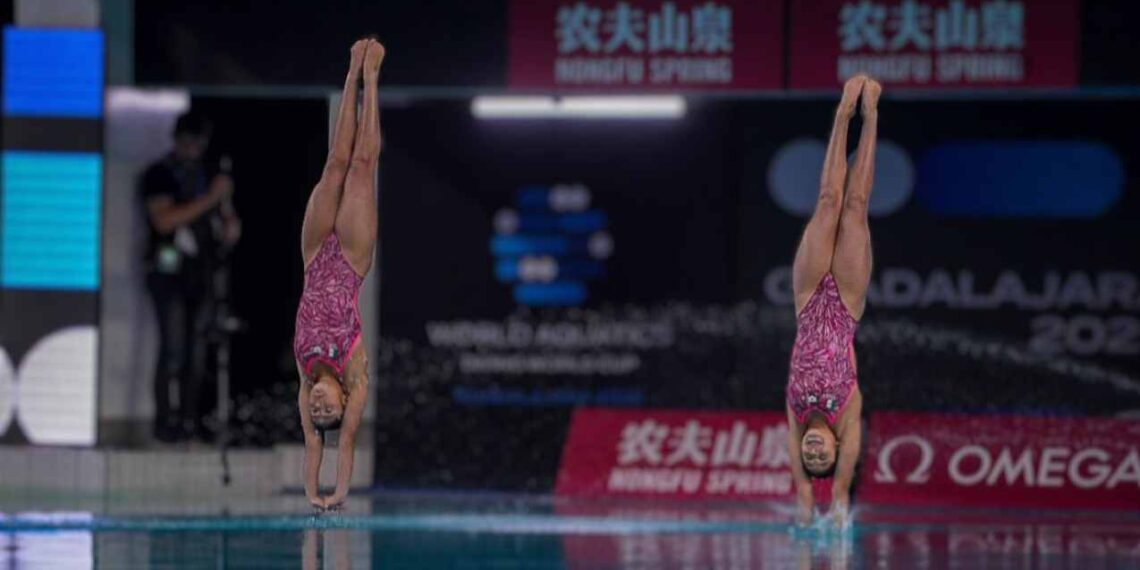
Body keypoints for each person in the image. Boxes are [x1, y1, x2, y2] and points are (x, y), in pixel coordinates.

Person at [786, 74, 880, 526]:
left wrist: (806, 502)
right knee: (856, 204)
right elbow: (837, 489)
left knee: (827, 202)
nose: (814, 451)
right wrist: (834, 511)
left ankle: (844, 113)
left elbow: (804, 491)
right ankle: (873, 112)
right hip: (845, 304)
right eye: (822, 457)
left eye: (811, 455)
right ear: (836, 449)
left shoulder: (795, 412)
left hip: (806, 300)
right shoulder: (849, 410)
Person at [296, 38, 383, 510]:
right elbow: (342, 444)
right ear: (346, 400)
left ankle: (350, 73)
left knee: (334, 166)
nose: (318, 407)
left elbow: (315, 444)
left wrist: (312, 491)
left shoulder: (305, 374)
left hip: (313, 257)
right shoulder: (356, 372)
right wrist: (339, 493)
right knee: (362, 167)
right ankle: (372, 78)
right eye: (329, 409)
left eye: (317, 411)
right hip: (350, 258)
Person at [141, 111, 242, 443]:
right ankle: (164, 423)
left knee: (197, 353)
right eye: (188, 141)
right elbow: (165, 222)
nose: (194, 148)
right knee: (173, 350)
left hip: (202, 273)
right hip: (166, 272)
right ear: (177, 139)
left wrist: (227, 221)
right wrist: (211, 199)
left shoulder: (208, 175)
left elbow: (228, 225)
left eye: (199, 143)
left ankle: (189, 421)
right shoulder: (159, 174)